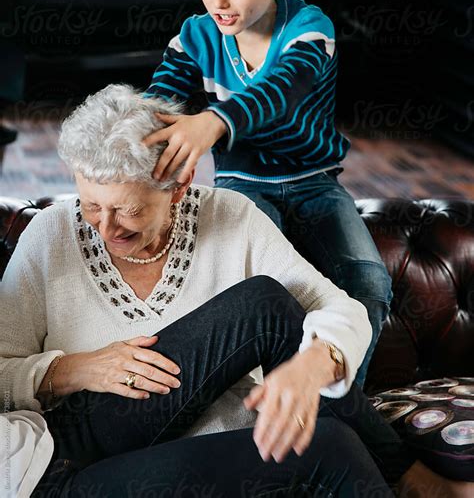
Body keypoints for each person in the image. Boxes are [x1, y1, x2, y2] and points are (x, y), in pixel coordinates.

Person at [0, 83, 464, 497]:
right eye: (89, 206)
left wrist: (313, 365)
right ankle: (409, 480)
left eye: (128, 211)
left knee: (267, 304)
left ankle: (408, 477)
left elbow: (337, 309)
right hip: (70, 449)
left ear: (177, 188)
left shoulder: (230, 215)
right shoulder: (51, 234)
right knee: (331, 446)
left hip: (164, 445)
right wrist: (72, 369)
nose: (105, 226)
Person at [143, 0, 392, 388]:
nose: (218, 0)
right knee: (258, 286)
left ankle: (337, 410)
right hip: (244, 181)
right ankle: (261, 396)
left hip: (314, 181)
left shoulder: (309, 28)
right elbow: (158, 103)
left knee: (368, 280)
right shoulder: (195, 35)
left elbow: (280, 91)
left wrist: (213, 122)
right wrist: (141, 134)